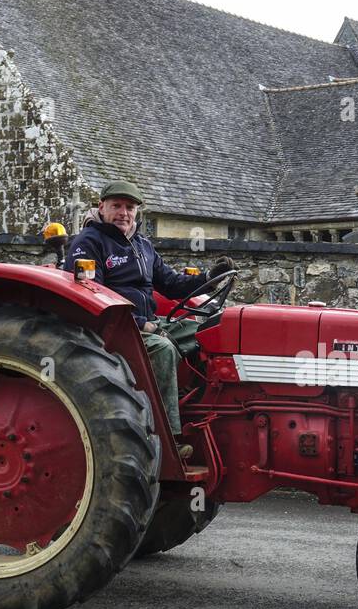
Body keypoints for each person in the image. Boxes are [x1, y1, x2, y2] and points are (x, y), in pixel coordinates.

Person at [63, 181, 232, 451]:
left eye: (129, 207)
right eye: (116, 206)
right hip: (114, 327)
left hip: (149, 321)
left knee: (209, 334)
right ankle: (166, 443)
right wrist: (143, 324)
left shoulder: (143, 245)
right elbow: (92, 297)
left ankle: (205, 421)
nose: (123, 213)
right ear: (101, 207)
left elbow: (171, 283)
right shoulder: (89, 243)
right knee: (163, 350)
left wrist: (208, 279)